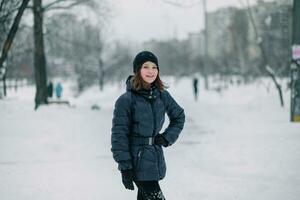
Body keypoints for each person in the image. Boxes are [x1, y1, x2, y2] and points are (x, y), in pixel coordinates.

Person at [111, 51, 185, 200]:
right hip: (136, 161)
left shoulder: (162, 95)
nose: (151, 71)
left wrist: (166, 138)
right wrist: (125, 167)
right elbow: (119, 135)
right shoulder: (126, 100)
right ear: (137, 70)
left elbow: (179, 116)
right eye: (146, 67)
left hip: (155, 159)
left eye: (154, 67)